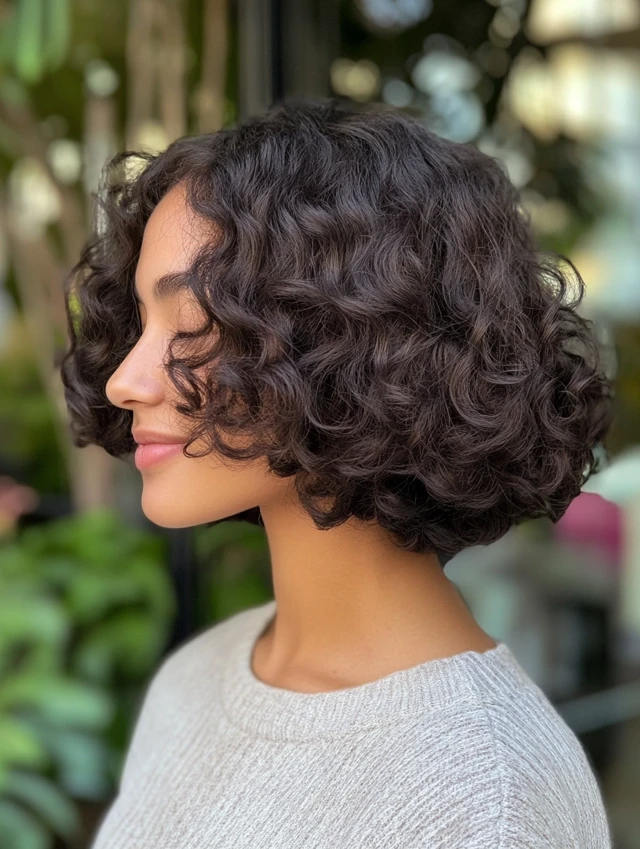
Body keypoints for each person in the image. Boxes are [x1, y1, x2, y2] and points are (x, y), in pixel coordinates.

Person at [60, 100, 614, 848]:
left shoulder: (486, 798)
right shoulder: (198, 678)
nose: (126, 378)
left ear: (353, 342)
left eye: (190, 324)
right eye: (141, 322)